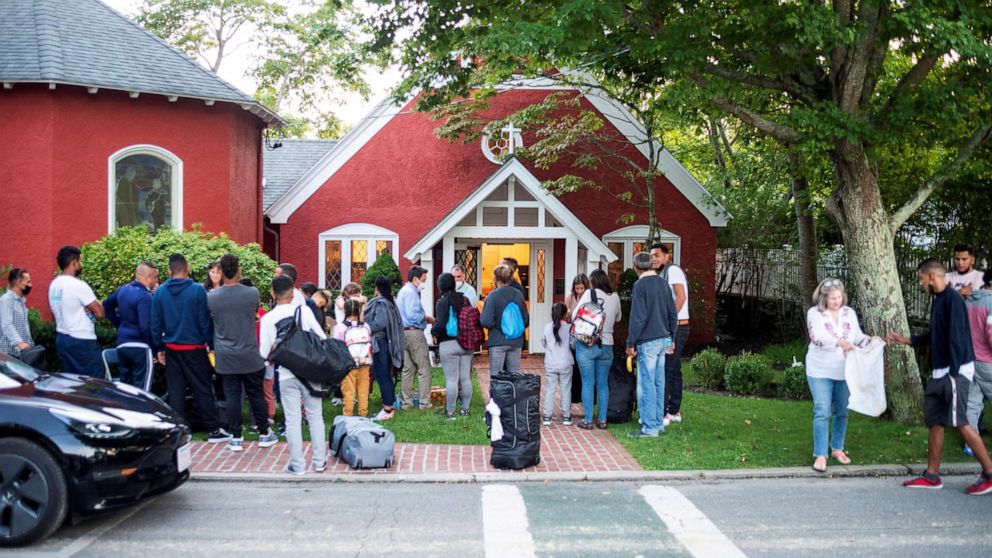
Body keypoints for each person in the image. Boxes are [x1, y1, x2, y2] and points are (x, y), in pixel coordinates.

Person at [887, 259, 992, 494]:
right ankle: (932, 475)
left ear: (932, 277)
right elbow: (936, 334)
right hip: (940, 372)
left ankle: (989, 473)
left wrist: (954, 374)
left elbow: (957, 338)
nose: (921, 283)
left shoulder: (953, 301)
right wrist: (908, 341)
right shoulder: (939, 300)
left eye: (921, 279)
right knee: (935, 420)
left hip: (954, 372)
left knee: (960, 422)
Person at [151, 253, 227, 443]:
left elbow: (155, 323)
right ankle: (213, 430)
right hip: (194, 347)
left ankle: (180, 432)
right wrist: (210, 344)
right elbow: (204, 321)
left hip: (171, 347)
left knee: (175, 390)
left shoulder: (160, 292)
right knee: (202, 388)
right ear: (188, 269)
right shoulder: (197, 290)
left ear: (169, 270)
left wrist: (159, 347)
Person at [207, 253, 278, 452]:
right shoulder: (251, 293)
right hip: (249, 353)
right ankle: (264, 433)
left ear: (220, 272)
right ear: (238, 270)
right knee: (256, 394)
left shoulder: (212, 297)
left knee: (232, 396)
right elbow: (253, 313)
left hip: (225, 354)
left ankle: (236, 437)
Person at [259, 275, 328, 474]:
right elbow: (322, 337)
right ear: (293, 292)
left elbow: (264, 353)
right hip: (310, 372)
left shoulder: (268, 319)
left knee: (292, 419)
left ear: (273, 294)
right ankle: (319, 461)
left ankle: (298, 465)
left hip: (287, 373)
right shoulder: (304, 311)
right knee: (315, 416)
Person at [805, 278, 873, 473]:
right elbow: (817, 337)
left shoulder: (849, 313)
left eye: (839, 297)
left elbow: (857, 336)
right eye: (832, 298)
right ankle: (820, 454)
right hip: (819, 370)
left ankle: (837, 448)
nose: (836, 301)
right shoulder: (814, 313)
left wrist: (870, 340)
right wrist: (839, 342)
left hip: (845, 370)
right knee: (822, 411)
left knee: (842, 410)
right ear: (824, 299)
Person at [626, 251, 677, 438]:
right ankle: (657, 422)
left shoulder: (639, 285)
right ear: (652, 264)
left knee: (647, 384)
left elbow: (637, 317)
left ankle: (649, 428)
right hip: (662, 339)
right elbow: (672, 314)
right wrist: (671, 338)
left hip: (646, 341)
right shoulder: (663, 284)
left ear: (635, 267)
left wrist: (630, 342)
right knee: (658, 382)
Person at [571, 268, 622, 429]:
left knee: (588, 382)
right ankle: (602, 420)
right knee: (602, 384)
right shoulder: (614, 296)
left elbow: (574, 316)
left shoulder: (588, 294)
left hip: (587, 343)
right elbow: (619, 318)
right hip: (607, 344)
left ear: (593, 281)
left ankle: (587, 420)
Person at [49, 245, 104, 377]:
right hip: (82, 340)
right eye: (81, 261)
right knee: (94, 385)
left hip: (62, 337)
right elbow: (100, 313)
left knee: (73, 384)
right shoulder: (78, 285)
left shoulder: (54, 285)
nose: (82, 264)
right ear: (74, 263)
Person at [651, 243, 690, 425]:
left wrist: (669, 321)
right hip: (676, 326)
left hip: (676, 327)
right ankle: (674, 410)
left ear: (667, 256)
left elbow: (680, 297)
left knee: (667, 367)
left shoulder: (672, 271)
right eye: (652, 256)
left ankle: (665, 412)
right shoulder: (665, 272)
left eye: (657, 255)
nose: (654, 259)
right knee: (674, 369)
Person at [103, 261, 159, 388]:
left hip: (122, 345)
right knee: (142, 391)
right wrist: (155, 349)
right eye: (155, 277)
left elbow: (106, 306)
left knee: (126, 389)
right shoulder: (145, 296)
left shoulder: (122, 290)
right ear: (147, 277)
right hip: (140, 347)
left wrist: (120, 325)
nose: (157, 280)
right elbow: (145, 327)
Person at [433, 272, 473, 419]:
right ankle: (465, 410)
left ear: (441, 286)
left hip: (448, 343)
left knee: (451, 379)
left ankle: (450, 412)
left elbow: (441, 324)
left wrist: (433, 330)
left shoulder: (442, 301)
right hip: (466, 343)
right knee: (465, 378)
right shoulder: (465, 299)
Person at [365, 276, 405, 421]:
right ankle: (390, 405)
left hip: (381, 344)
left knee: (383, 376)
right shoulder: (390, 303)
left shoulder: (381, 304)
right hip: (386, 343)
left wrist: (365, 327)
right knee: (386, 375)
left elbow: (379, 323)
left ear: (377, 288)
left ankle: (388, 409)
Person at [396, 265, 435, 410]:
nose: (423, 283)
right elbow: (412, 315)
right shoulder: (411, 292)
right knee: (424, 368)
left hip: (403, 333)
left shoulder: (402, 291)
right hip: (414, 333)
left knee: (408, 369)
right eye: (423, 280)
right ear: (415, 278)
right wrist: (425, 318)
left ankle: (407, 403)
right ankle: (425, 403)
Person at [481, 264, 529, 375]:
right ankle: (512, 392)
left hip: (497, 341)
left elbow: (486, 321)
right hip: (516, 341)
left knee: (497, 377)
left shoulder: (493, 296)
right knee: (514, 376)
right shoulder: (519, 295)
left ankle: (498, 393)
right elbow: (525, 320)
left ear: (495, 278)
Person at [963, 270, 992, 452]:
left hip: (970, 360)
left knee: (972, 404)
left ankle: (970, 445)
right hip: (988, 362)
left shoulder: (969, 302)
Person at [332, 299, 372, 417]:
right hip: (364, 362)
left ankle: (348, 415)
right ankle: (363, 414)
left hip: (348, 364)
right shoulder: (365, 326)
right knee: (363, 390)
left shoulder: (341, 327)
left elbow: (336, 345)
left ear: (345, 310)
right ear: (358, 311)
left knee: (349, 391)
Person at [0, 267, 42, 368]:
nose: (30, 285)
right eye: (28, 282)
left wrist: (30, 344)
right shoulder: (6, 300)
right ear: (19, 282)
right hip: (9, 355)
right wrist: (19, 343)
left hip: (21, 354)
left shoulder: (20, 301)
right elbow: (7, 324)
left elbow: (24, 327)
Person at [541, 303, 573, 426]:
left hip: (550, 362)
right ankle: (566, 416)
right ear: (565, 314)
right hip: (566, 362)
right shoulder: (570, 328)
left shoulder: (547, 327)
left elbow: (543, 343)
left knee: (550, 388)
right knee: (566, 389)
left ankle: (547, 416)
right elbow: (573, 344)